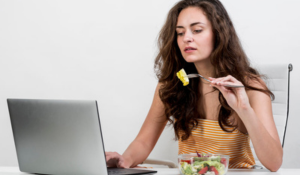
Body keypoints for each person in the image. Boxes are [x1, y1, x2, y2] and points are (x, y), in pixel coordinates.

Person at [105, 0, 282, 172]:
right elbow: (143, 142)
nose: (186, 38)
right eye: (180, 33)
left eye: (197, 30)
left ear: (219, 33)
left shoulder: (249, 86)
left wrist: (244, 108)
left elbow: (274, 163)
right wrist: (123, 160)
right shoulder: (171, 85)